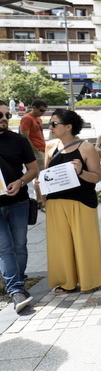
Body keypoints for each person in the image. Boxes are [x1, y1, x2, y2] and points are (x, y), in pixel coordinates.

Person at [44, 109, 101, 294]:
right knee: (59, 244)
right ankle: (66, 282)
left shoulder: (86, 148)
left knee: (84, 241)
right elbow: (47, 173)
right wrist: (41, 187)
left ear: (68, 127)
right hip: (55, 202)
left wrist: (80, 172)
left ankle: (90, 280)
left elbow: (96, 177)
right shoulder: (50, 146)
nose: (50, 127)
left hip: (81, 201)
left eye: (54, 123)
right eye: (50, 123)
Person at [0, 101, 38, 312]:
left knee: (20, 245)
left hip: (18, 202)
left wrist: (21, 182)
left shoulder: (19, 141)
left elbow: (33, 169)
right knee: (4, 248)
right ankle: (15, 290)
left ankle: (19, 284)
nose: (4, 118)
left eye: (6, 115)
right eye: (0, 115)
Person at [19, 99, 48, 206]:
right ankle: (42, 201)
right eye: (41, 110)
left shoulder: (38, 119)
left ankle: (40, 200)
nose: (42, 113)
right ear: (34, 108)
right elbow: (24, 137)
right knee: (41, 177)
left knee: (41, 176)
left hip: (42, 149)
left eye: (44, 111)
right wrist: (34, 149)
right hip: (36, 151)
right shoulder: (27, 118)